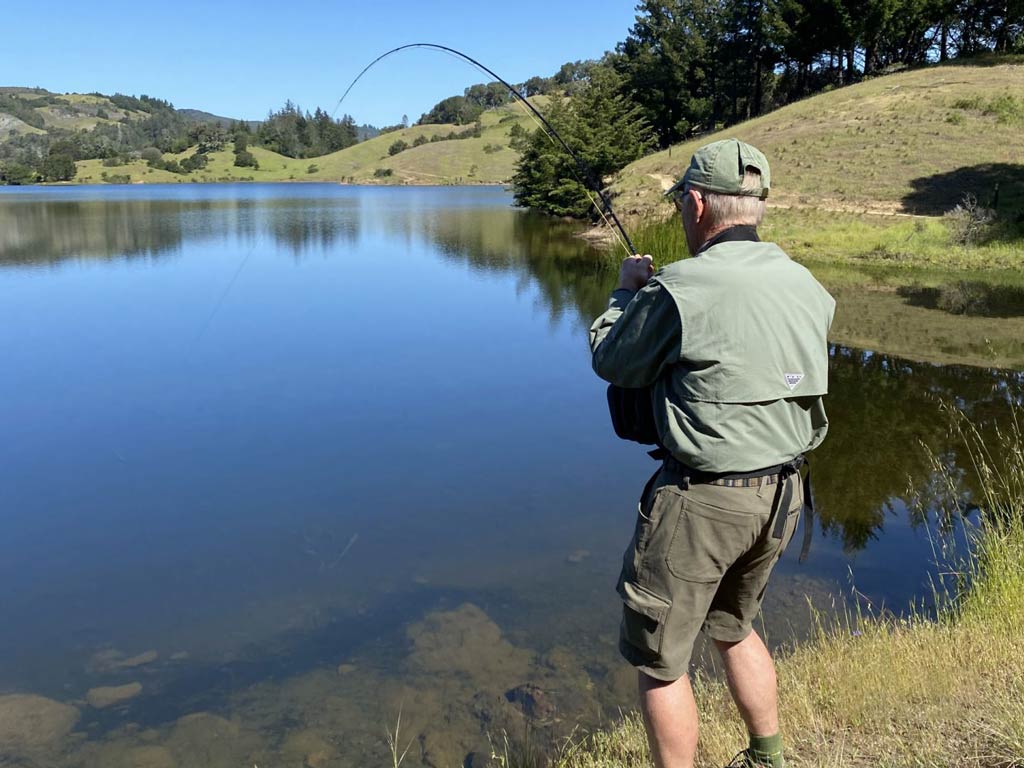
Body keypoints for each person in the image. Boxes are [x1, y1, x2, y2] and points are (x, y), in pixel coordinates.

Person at [589, 139, 835, 768]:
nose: (679, 215)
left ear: (697, 203)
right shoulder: (806, 284)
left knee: (659, 660)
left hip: (704, 500)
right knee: (735, 626)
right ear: (755, 205)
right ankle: (768, 756)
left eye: (680, 205)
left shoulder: (678, 288)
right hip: (783, 493)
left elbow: (613, 360)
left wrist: (625, 295)